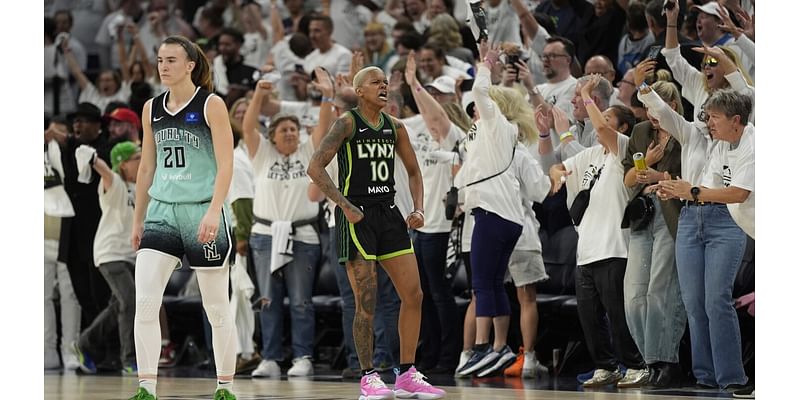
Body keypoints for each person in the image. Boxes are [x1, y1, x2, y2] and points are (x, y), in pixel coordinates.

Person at [307, 65, 446, 400]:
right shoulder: (347, 123)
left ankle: (407, 374)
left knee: (414, 295)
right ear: (359, 91)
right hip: (356, 215)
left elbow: (414, 172)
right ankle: (368, 376)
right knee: (365, 302)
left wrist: (418, 208)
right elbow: (314, 167)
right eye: (376, 82)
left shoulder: (395, 127)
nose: (384, 86)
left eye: (386, 82)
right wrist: (343, 205)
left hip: (389, 213)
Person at [128, 35, 237, 400]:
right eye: (160, 59)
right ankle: (146, 386)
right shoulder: (151, 109)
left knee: (216, 307)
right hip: (162, 212)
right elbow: (146, 167)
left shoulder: (211, 105)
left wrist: (213, 211)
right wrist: (138, 219)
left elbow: (226, 165)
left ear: (190, 65)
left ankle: (225, 386)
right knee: (144, 301)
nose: (163, 66)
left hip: (201, 210)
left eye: (171, 59)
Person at [647, 86, 754, 392]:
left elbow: (737, 193)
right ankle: (704, 375)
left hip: (726, 221)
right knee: (694, 302)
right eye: (707, 116)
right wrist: (677, 190)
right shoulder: (718, 144)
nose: (709, 122)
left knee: (716, 299)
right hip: (692, 219)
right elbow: (704, 186)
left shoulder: (753, 142)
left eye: (715, 117)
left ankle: (732, 376)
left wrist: (691, 191)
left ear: (735, 119)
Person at [549, 75, 647, 388]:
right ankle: (606, 366)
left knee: (617, 314)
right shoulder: (592, 155)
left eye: (607, 117)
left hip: (615, 247)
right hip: (587, 249)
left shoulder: (623, 149)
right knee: (589, 317)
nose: (599, 122)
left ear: (622, 128)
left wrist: (586, 94)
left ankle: (636, 364)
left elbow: (602, 130)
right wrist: (556, 174)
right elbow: (561, 166)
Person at [453, 41, 539, 378]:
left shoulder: (496, 126)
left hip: (492, 217)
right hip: (505, 220)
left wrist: (486, 61)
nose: (474, 109)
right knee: (490, 284)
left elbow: (480, 89)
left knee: (484, 286)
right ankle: (499, 350)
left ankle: (487, 349)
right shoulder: (488, 135)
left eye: (478, 106)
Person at [241, 79, 324, 378]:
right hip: (264, 236)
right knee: (268, 299)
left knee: (301, 301)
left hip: (303, 236)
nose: (290, 133)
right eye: (283, 130)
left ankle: (303, 356)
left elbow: (324, 127)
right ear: (272, 137)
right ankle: (271, 358)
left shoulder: (307, 153)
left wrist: (326, 95)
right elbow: (248, 127)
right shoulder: (263, 155)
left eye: (294, 129)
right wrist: (259, 95)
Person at [621, 65, 687, 388]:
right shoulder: (641, 132)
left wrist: (660, 177)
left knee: (659, 290)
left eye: (657, 107)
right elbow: (629, 178)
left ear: (672, 107)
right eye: (647, 107)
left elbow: (692, 180)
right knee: (633, 293)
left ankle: (665, 360)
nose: (651, 113)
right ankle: (647, 359)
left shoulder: (686, 133)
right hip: (642, 214)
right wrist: (646, 164)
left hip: (671, 214)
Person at [71, 141, 141, 376]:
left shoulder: (141, 188)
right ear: (123, 164)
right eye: (137, 158)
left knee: (118, 306)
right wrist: (90, 155)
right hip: (111, 253)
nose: (142, 162)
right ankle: (129, 361)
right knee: (130, 300)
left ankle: (84, 343)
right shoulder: (115, 183)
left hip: (130, 255)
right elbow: (100, 166)